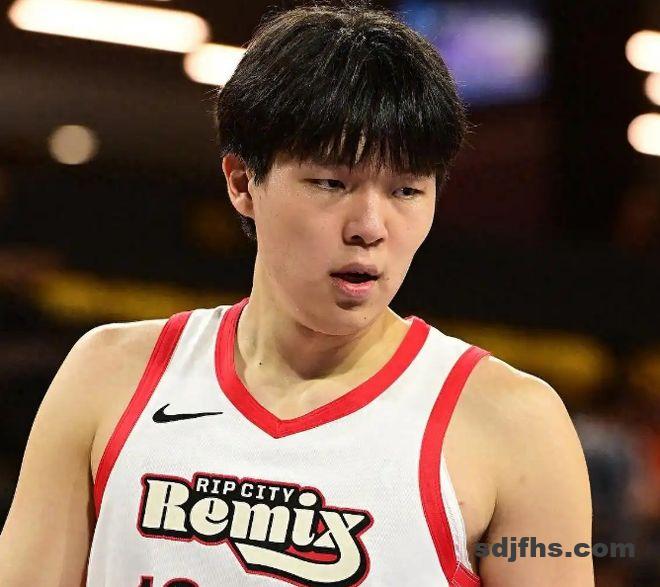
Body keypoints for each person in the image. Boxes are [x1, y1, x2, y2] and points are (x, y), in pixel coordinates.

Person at [0, 3, 593, 586]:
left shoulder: (514, 424)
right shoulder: (109, 374)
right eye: (331, 183)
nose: (370, 226)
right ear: (242, 182)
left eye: (406, 191)